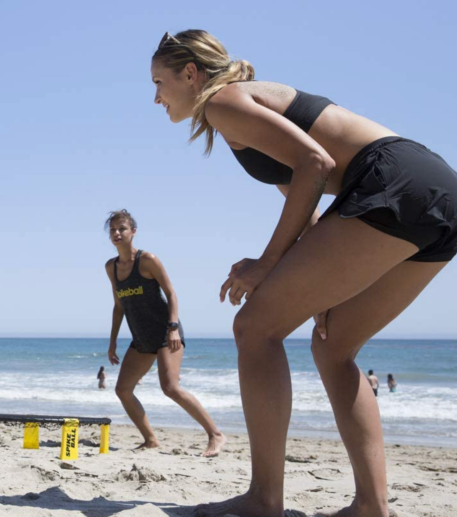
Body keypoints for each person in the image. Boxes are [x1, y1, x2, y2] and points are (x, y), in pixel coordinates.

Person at [151, 29, 456, 517]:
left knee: (254, 328)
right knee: (334, 345)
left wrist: (266, 264)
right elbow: (307, 203)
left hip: (390, 181)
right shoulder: (243, 109)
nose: (156, 97)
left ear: (191, 74)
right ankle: (372, 507)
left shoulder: (224, 103)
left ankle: (264, 499)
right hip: (435, 191)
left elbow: (316, 163)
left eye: (160, 82)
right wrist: (318, 294)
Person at [105, 209, 225, 457]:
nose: (117, 233)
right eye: (113, 230)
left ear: (133, 232)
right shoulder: (111, 267)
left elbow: (171, 294)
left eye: (122, 229)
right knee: (123, 390)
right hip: (141, 336)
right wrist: (112, 342)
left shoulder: (147, 260)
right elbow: (119, 306)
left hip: (165, 331)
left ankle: (215, 434)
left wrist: (172, 328)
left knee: (170, 387)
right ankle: (151, 440)